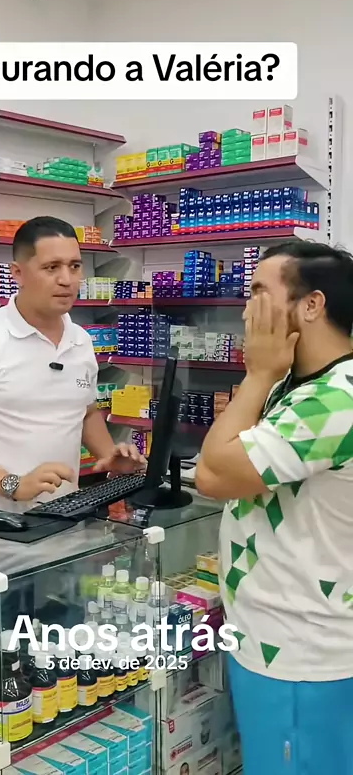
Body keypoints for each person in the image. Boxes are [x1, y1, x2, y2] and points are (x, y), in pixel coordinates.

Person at [195, 240, 353, 775]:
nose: (246, 310)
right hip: (273, 637)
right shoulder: (302, 384)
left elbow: (213, 474)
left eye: (259, 293)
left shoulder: (337, 399)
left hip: (303, 652)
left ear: (311, 305)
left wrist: (257, 374)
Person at [0, 216, 145, 520]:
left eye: (74, 266)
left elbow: (86, 411)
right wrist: (12, 484)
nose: (66, 279)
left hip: (65, 515)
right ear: (18, 273)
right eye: (51, 267)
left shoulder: (80, 340)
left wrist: (108, 456)